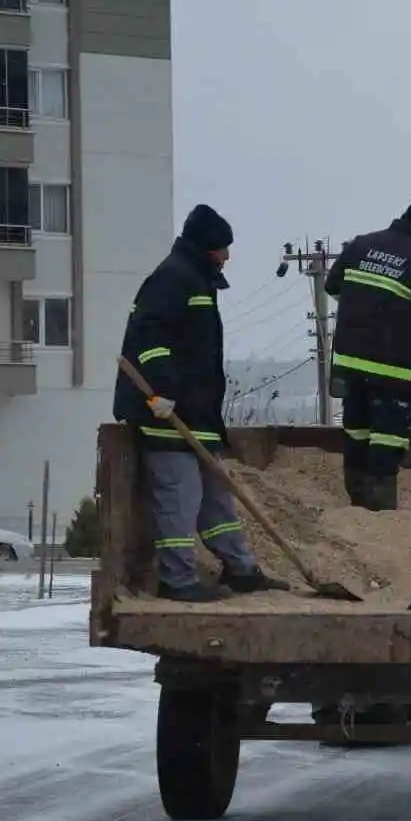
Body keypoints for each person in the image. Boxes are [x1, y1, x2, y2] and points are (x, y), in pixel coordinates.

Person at [113, 204, 290, 603]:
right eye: (222, 249)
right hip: (166, 414)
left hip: (197, 413)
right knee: (179, 499)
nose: (227, 257)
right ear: (205, 246)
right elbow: (149, 339)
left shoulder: (196, 280)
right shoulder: (171, 279)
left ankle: (241, 570)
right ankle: (177, 581)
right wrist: (161, 392)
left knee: (217, 498)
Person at [325, 203, 411, 511]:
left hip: (351, 362)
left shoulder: (360, 245)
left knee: (357, 428)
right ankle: (379, 508)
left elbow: (333, 286)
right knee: (388, 437)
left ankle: (356, 500)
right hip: (396, 367)